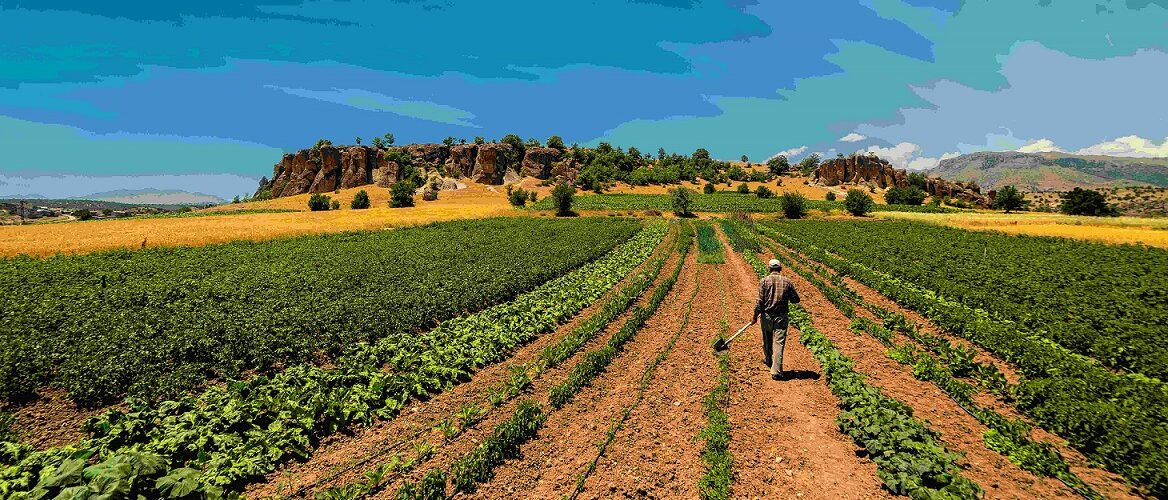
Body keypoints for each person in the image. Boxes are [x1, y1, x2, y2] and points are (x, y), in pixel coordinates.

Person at [752, 258, 800, 380]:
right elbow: (795, 300)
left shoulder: (764, 281)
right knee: (779, 343)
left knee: (767, 338)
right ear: (780, 269)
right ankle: (776, 371)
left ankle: (768, 360)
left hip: (767, 316)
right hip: (781, 317)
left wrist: (754, 317)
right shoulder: (787, 282)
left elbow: (759, 302)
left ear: (769, 268)